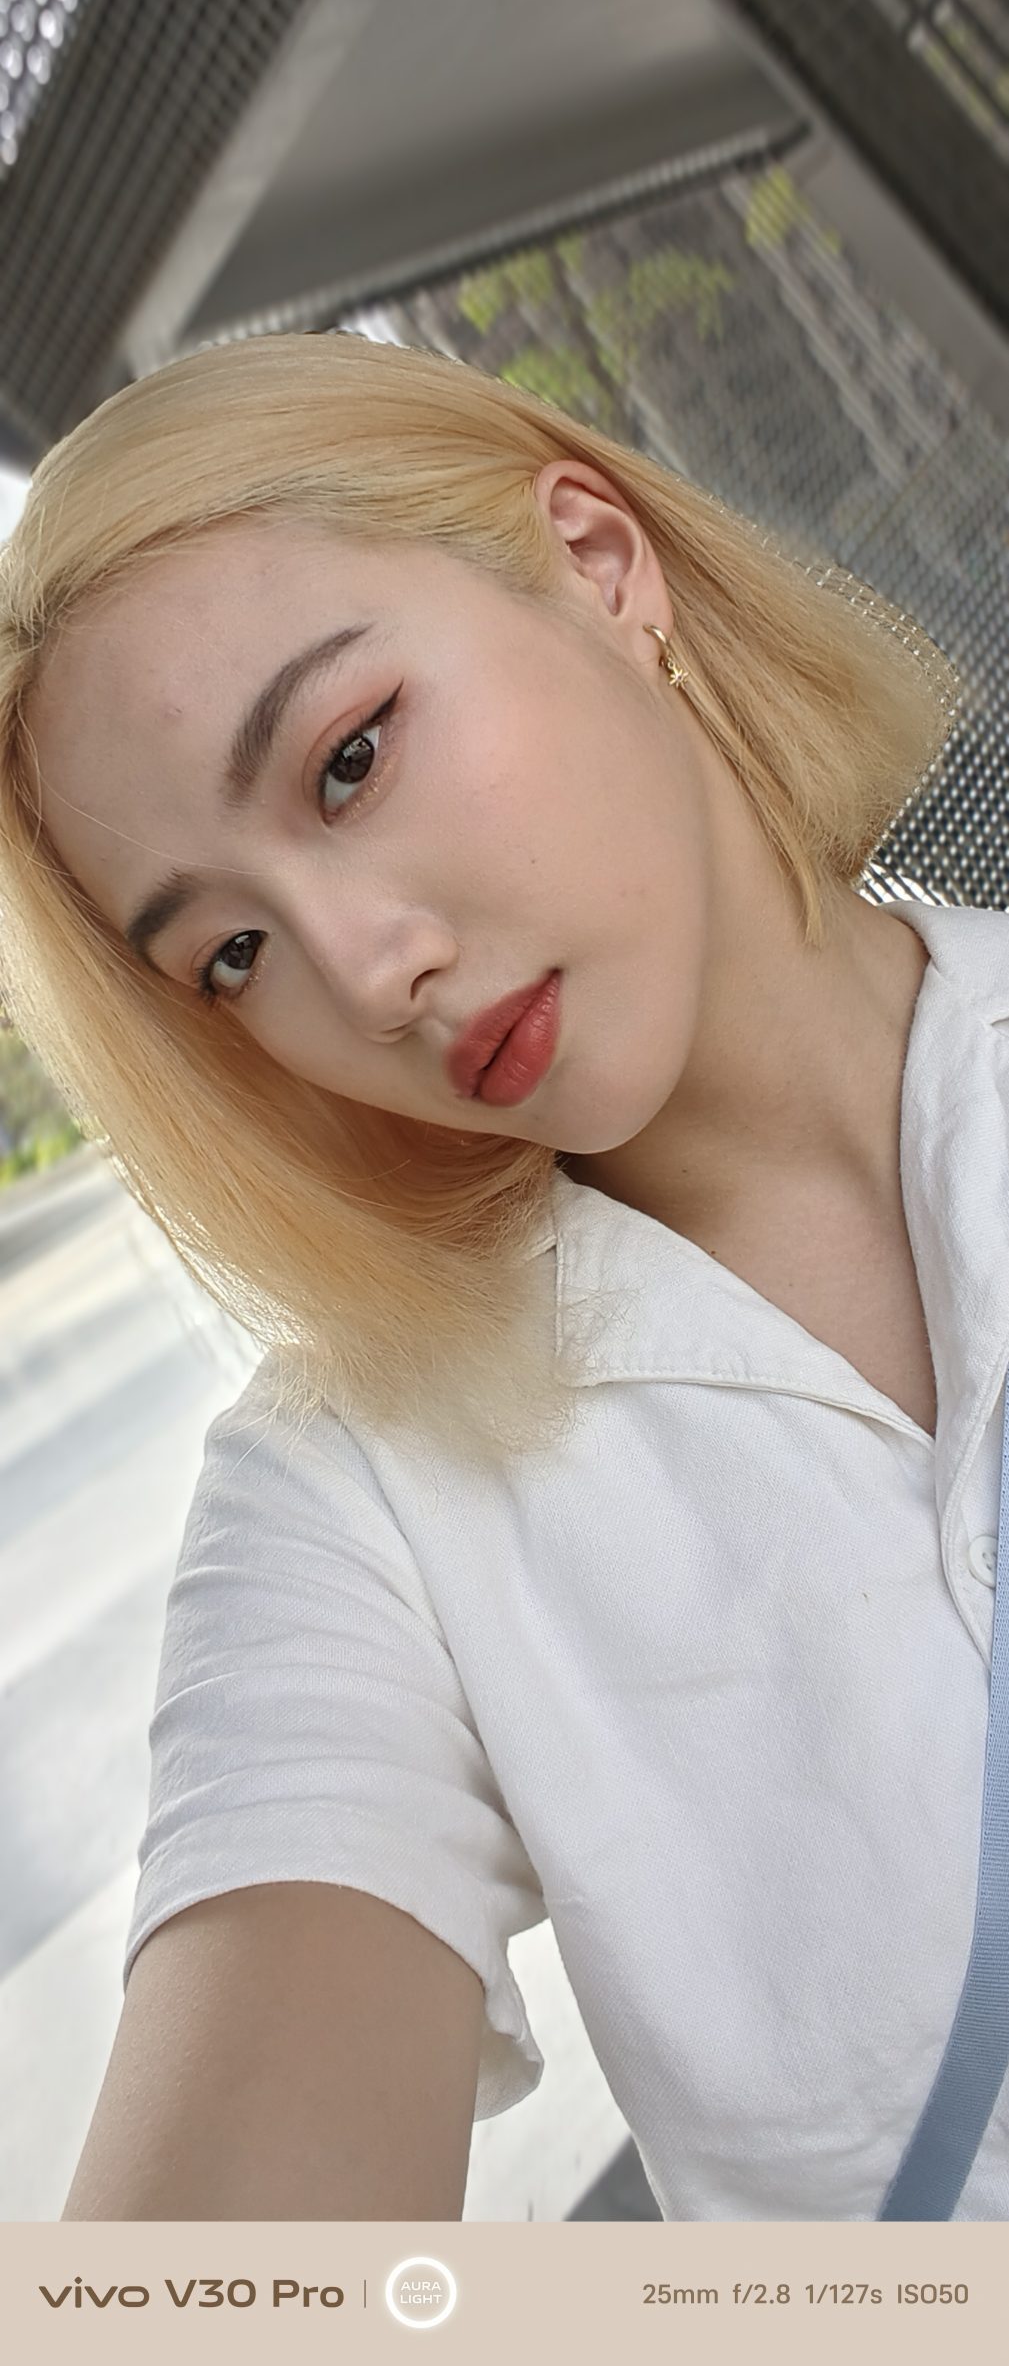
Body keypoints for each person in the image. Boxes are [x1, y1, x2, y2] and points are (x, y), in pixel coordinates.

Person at [0, 331, 1003, 2223]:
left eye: (348, 760)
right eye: (227, 956)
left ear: (599, 568)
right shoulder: (354, 1497)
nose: (359, 970)